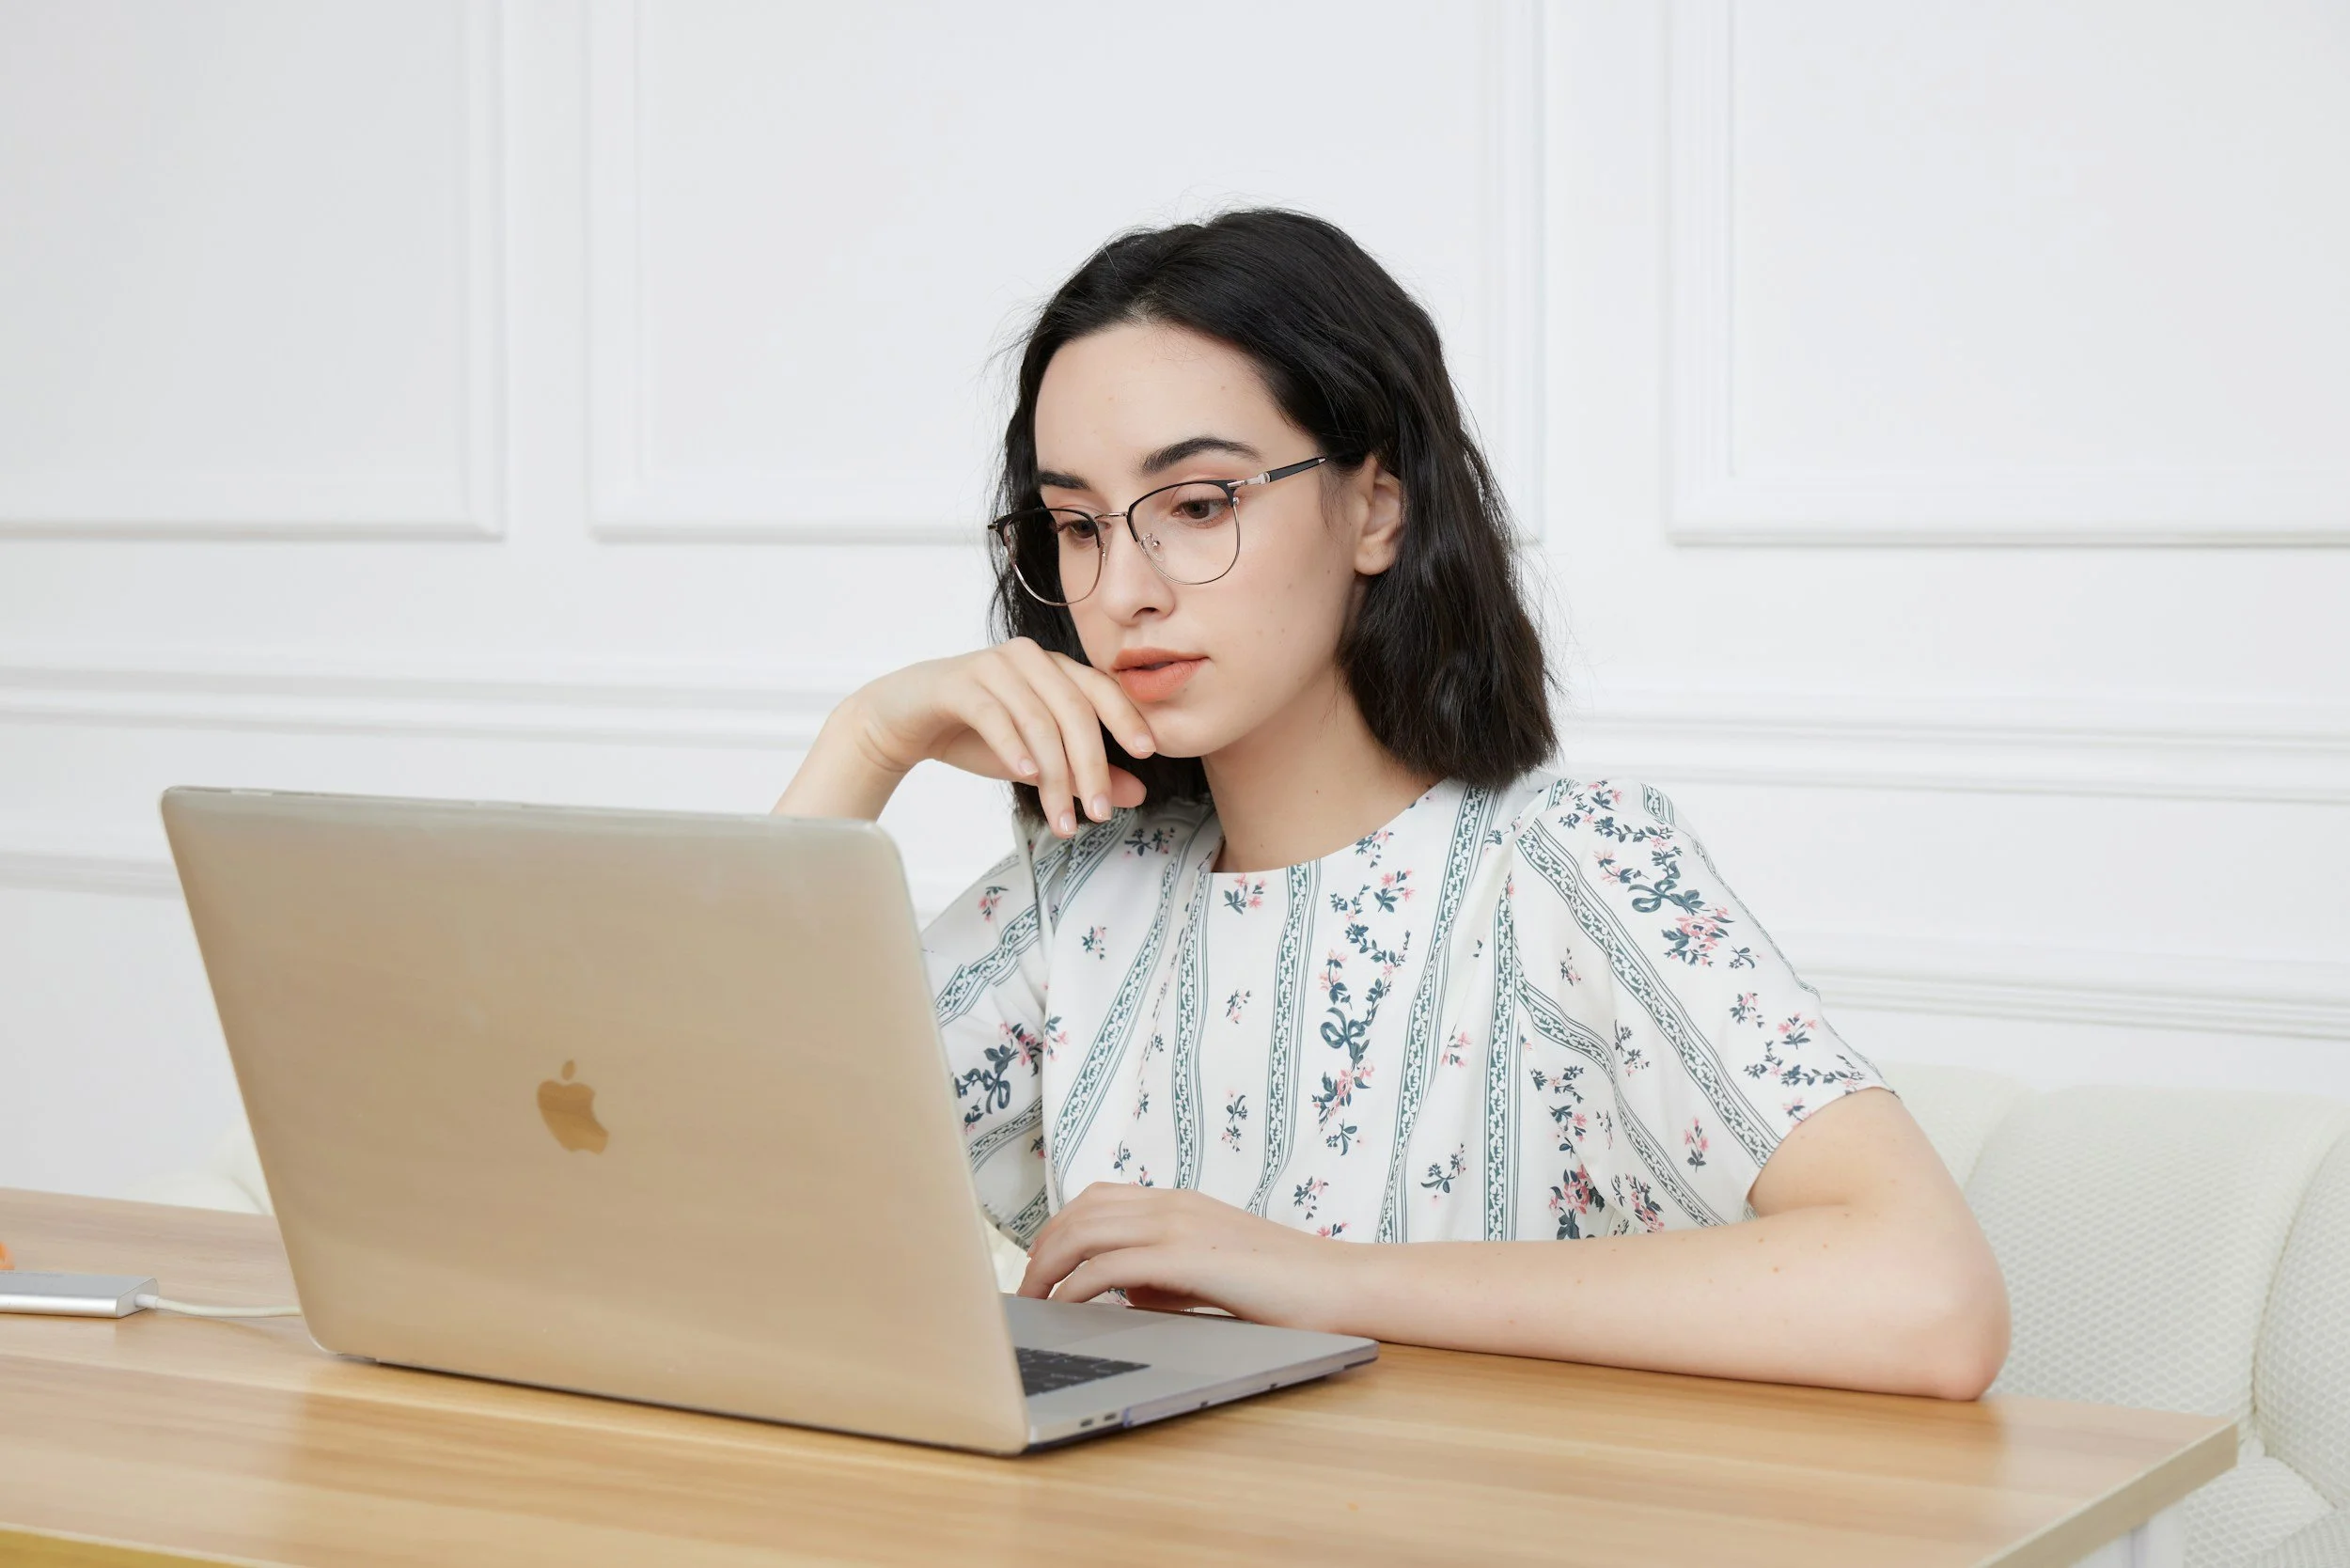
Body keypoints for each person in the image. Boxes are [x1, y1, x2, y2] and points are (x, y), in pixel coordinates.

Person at [773, 208, 2009, 1400]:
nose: (1126, 588)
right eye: (1076, 525)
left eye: (1199, 505)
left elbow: (1930, 1297)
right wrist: (865, 743)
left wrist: (1322, 1282)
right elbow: (719, 1182)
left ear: (1375, 505)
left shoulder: (1563, 866)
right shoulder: (1083, 894)